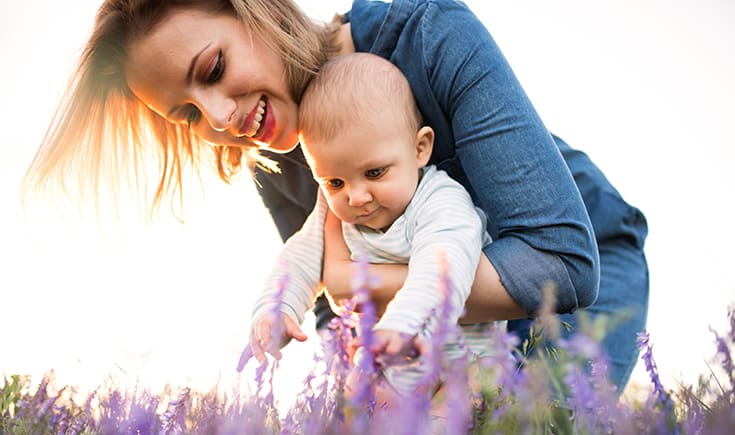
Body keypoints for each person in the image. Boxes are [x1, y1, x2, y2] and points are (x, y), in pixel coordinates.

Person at [22, 0, 648, 394]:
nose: (218, 119)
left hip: (576, 258)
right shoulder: (275, 151)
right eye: (187, 113)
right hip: (462, 314)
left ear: (256, 9)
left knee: (552, 415)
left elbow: (562, 265)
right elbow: (331, 310)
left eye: (212, 70)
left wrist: (364, 284)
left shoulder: (430, 32)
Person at [242, 52, 502, 400]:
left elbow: (442, 269)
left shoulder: (440, 202)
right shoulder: (334, 210)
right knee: (361, 399)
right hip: (393, 359)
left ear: (420, 148)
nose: (357, 196)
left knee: (449, 413)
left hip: (469, 360)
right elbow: (301, 256)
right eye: (334, 182)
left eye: (374, 172)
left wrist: (402, 325)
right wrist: (276, 309)